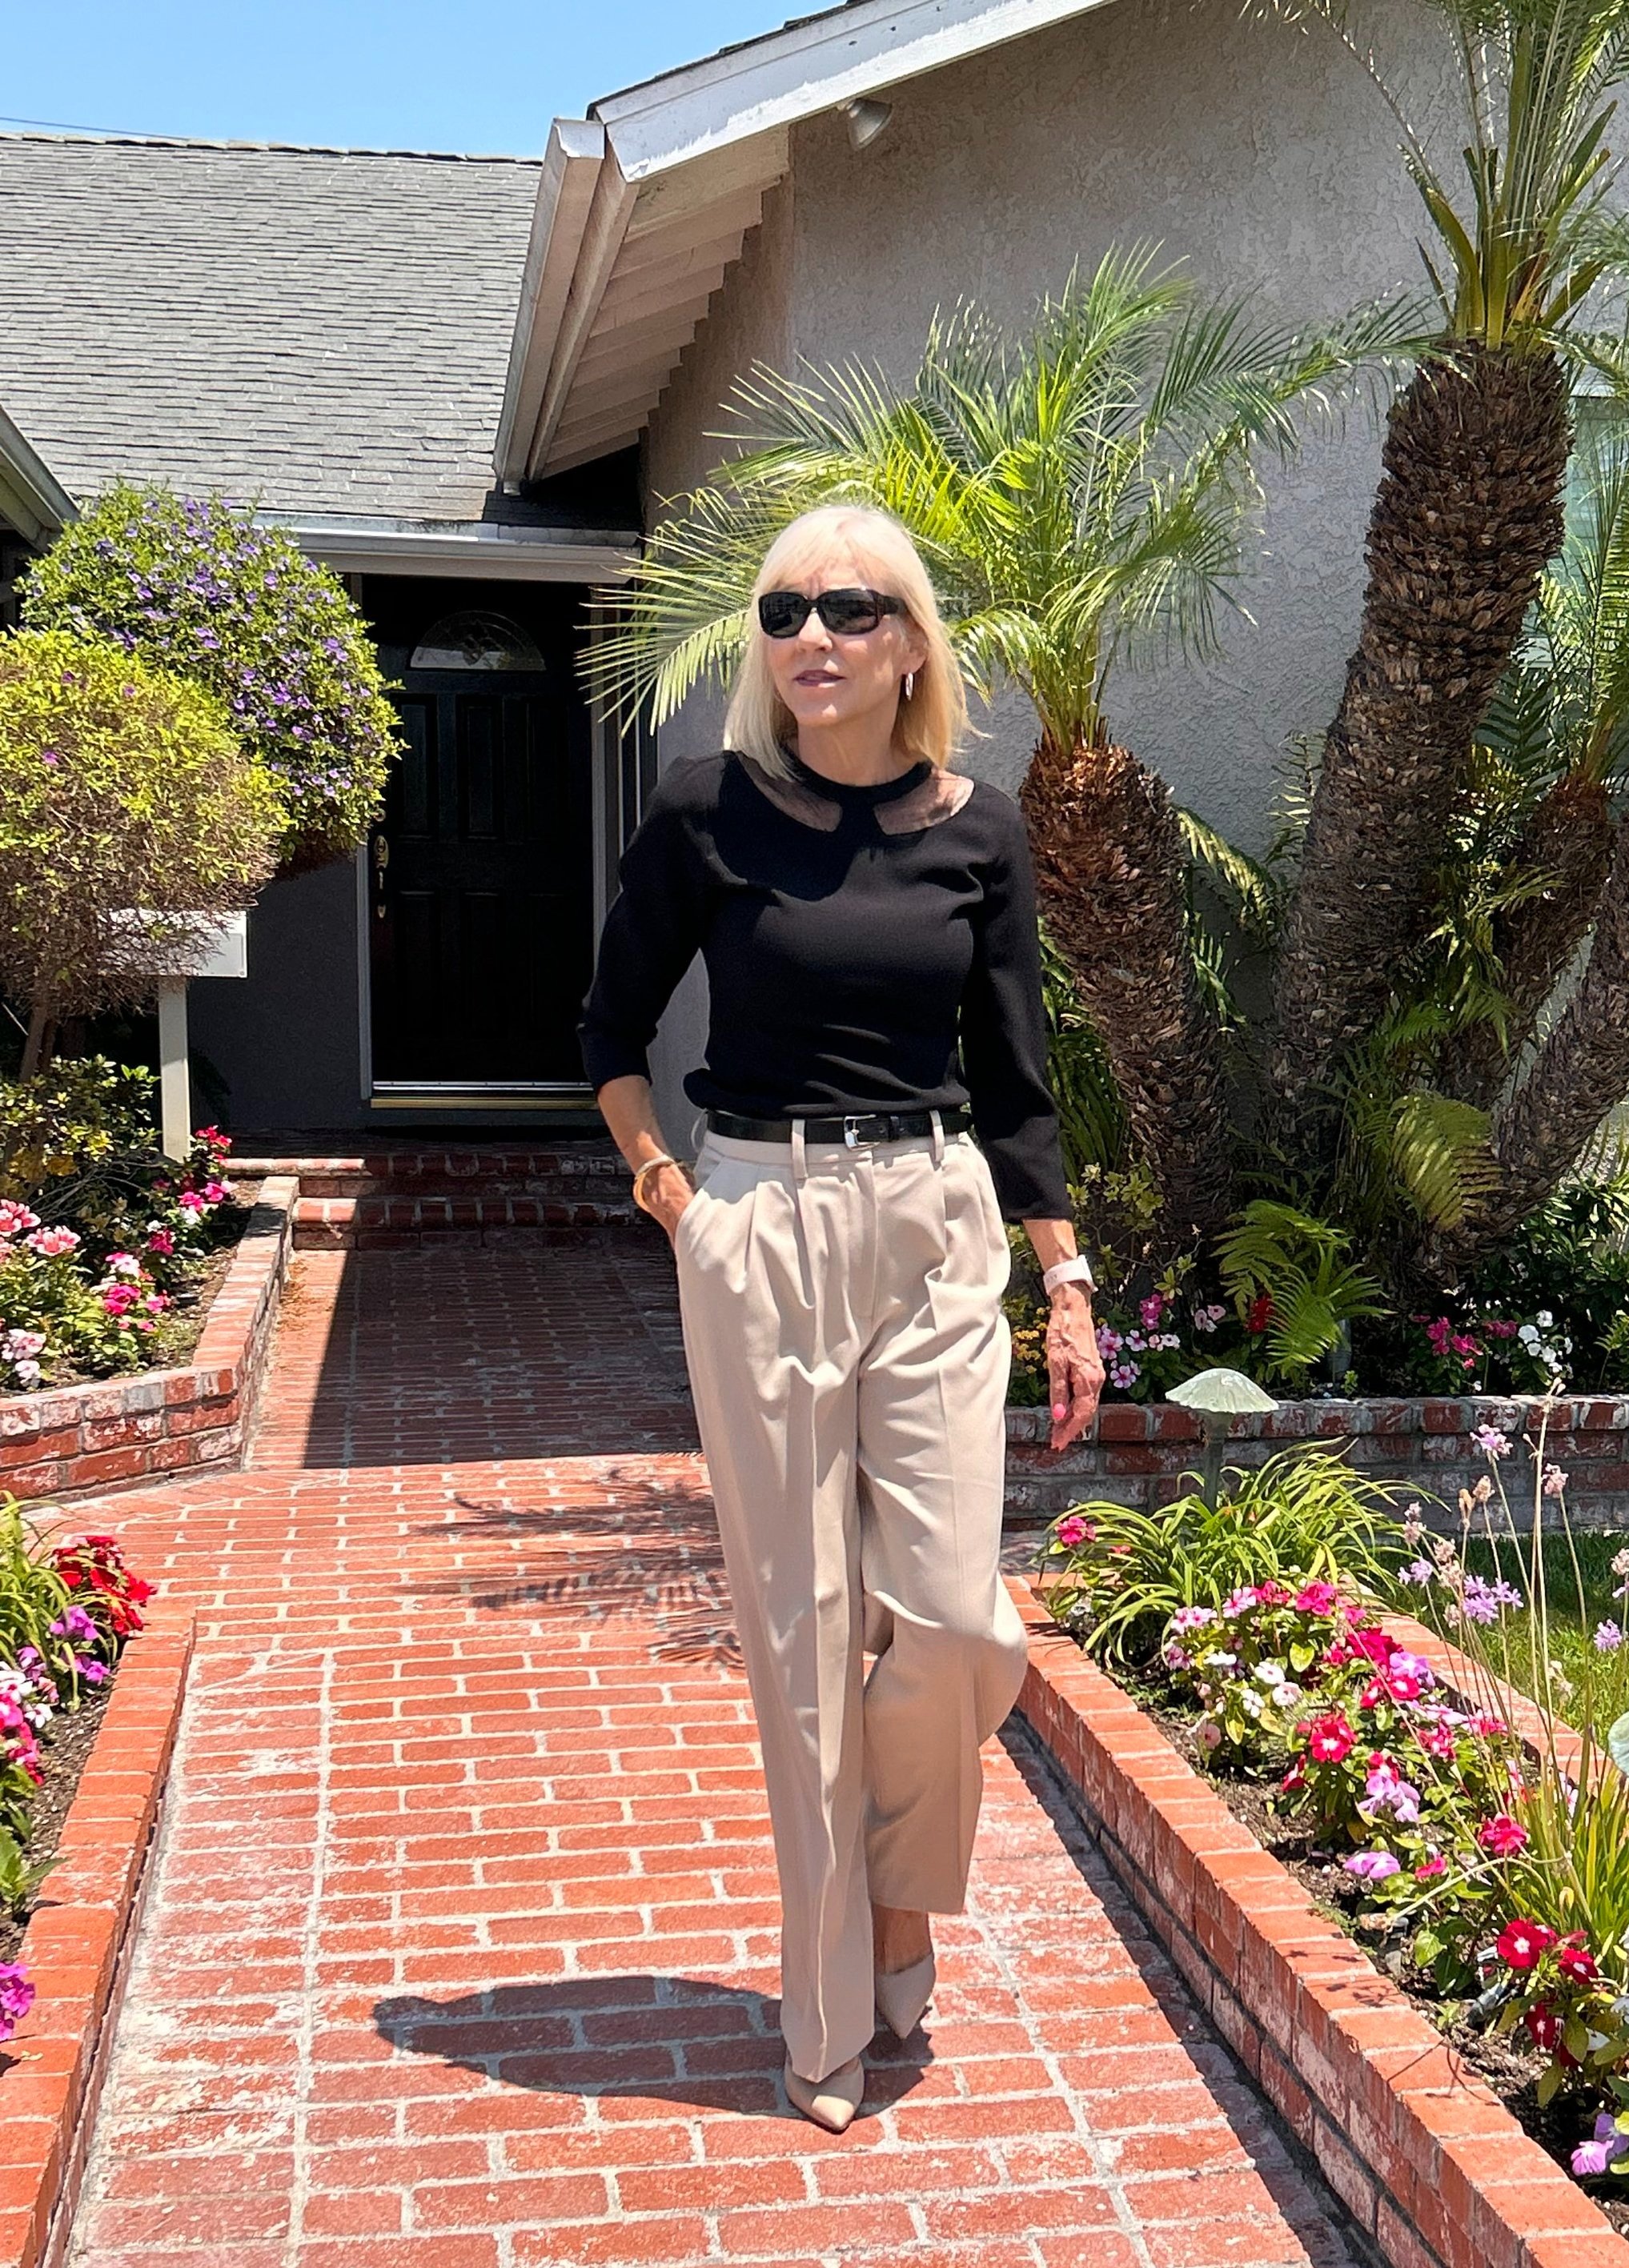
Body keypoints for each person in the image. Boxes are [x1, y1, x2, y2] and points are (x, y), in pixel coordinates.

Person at [580, 503, 1104, 2134]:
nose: (814, 635)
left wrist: (1067, 1275)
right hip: (757, 1217)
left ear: (909, 642)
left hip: (936, 1225)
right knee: (804, 1632)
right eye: (786, 609)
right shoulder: (701, 811)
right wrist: (676, 1196)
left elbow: (1017, 1077)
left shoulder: (980, 828)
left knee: (946, 1616)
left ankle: (896, 1902)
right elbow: (609, 1031)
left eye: (852, 608)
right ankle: (826, 2014)